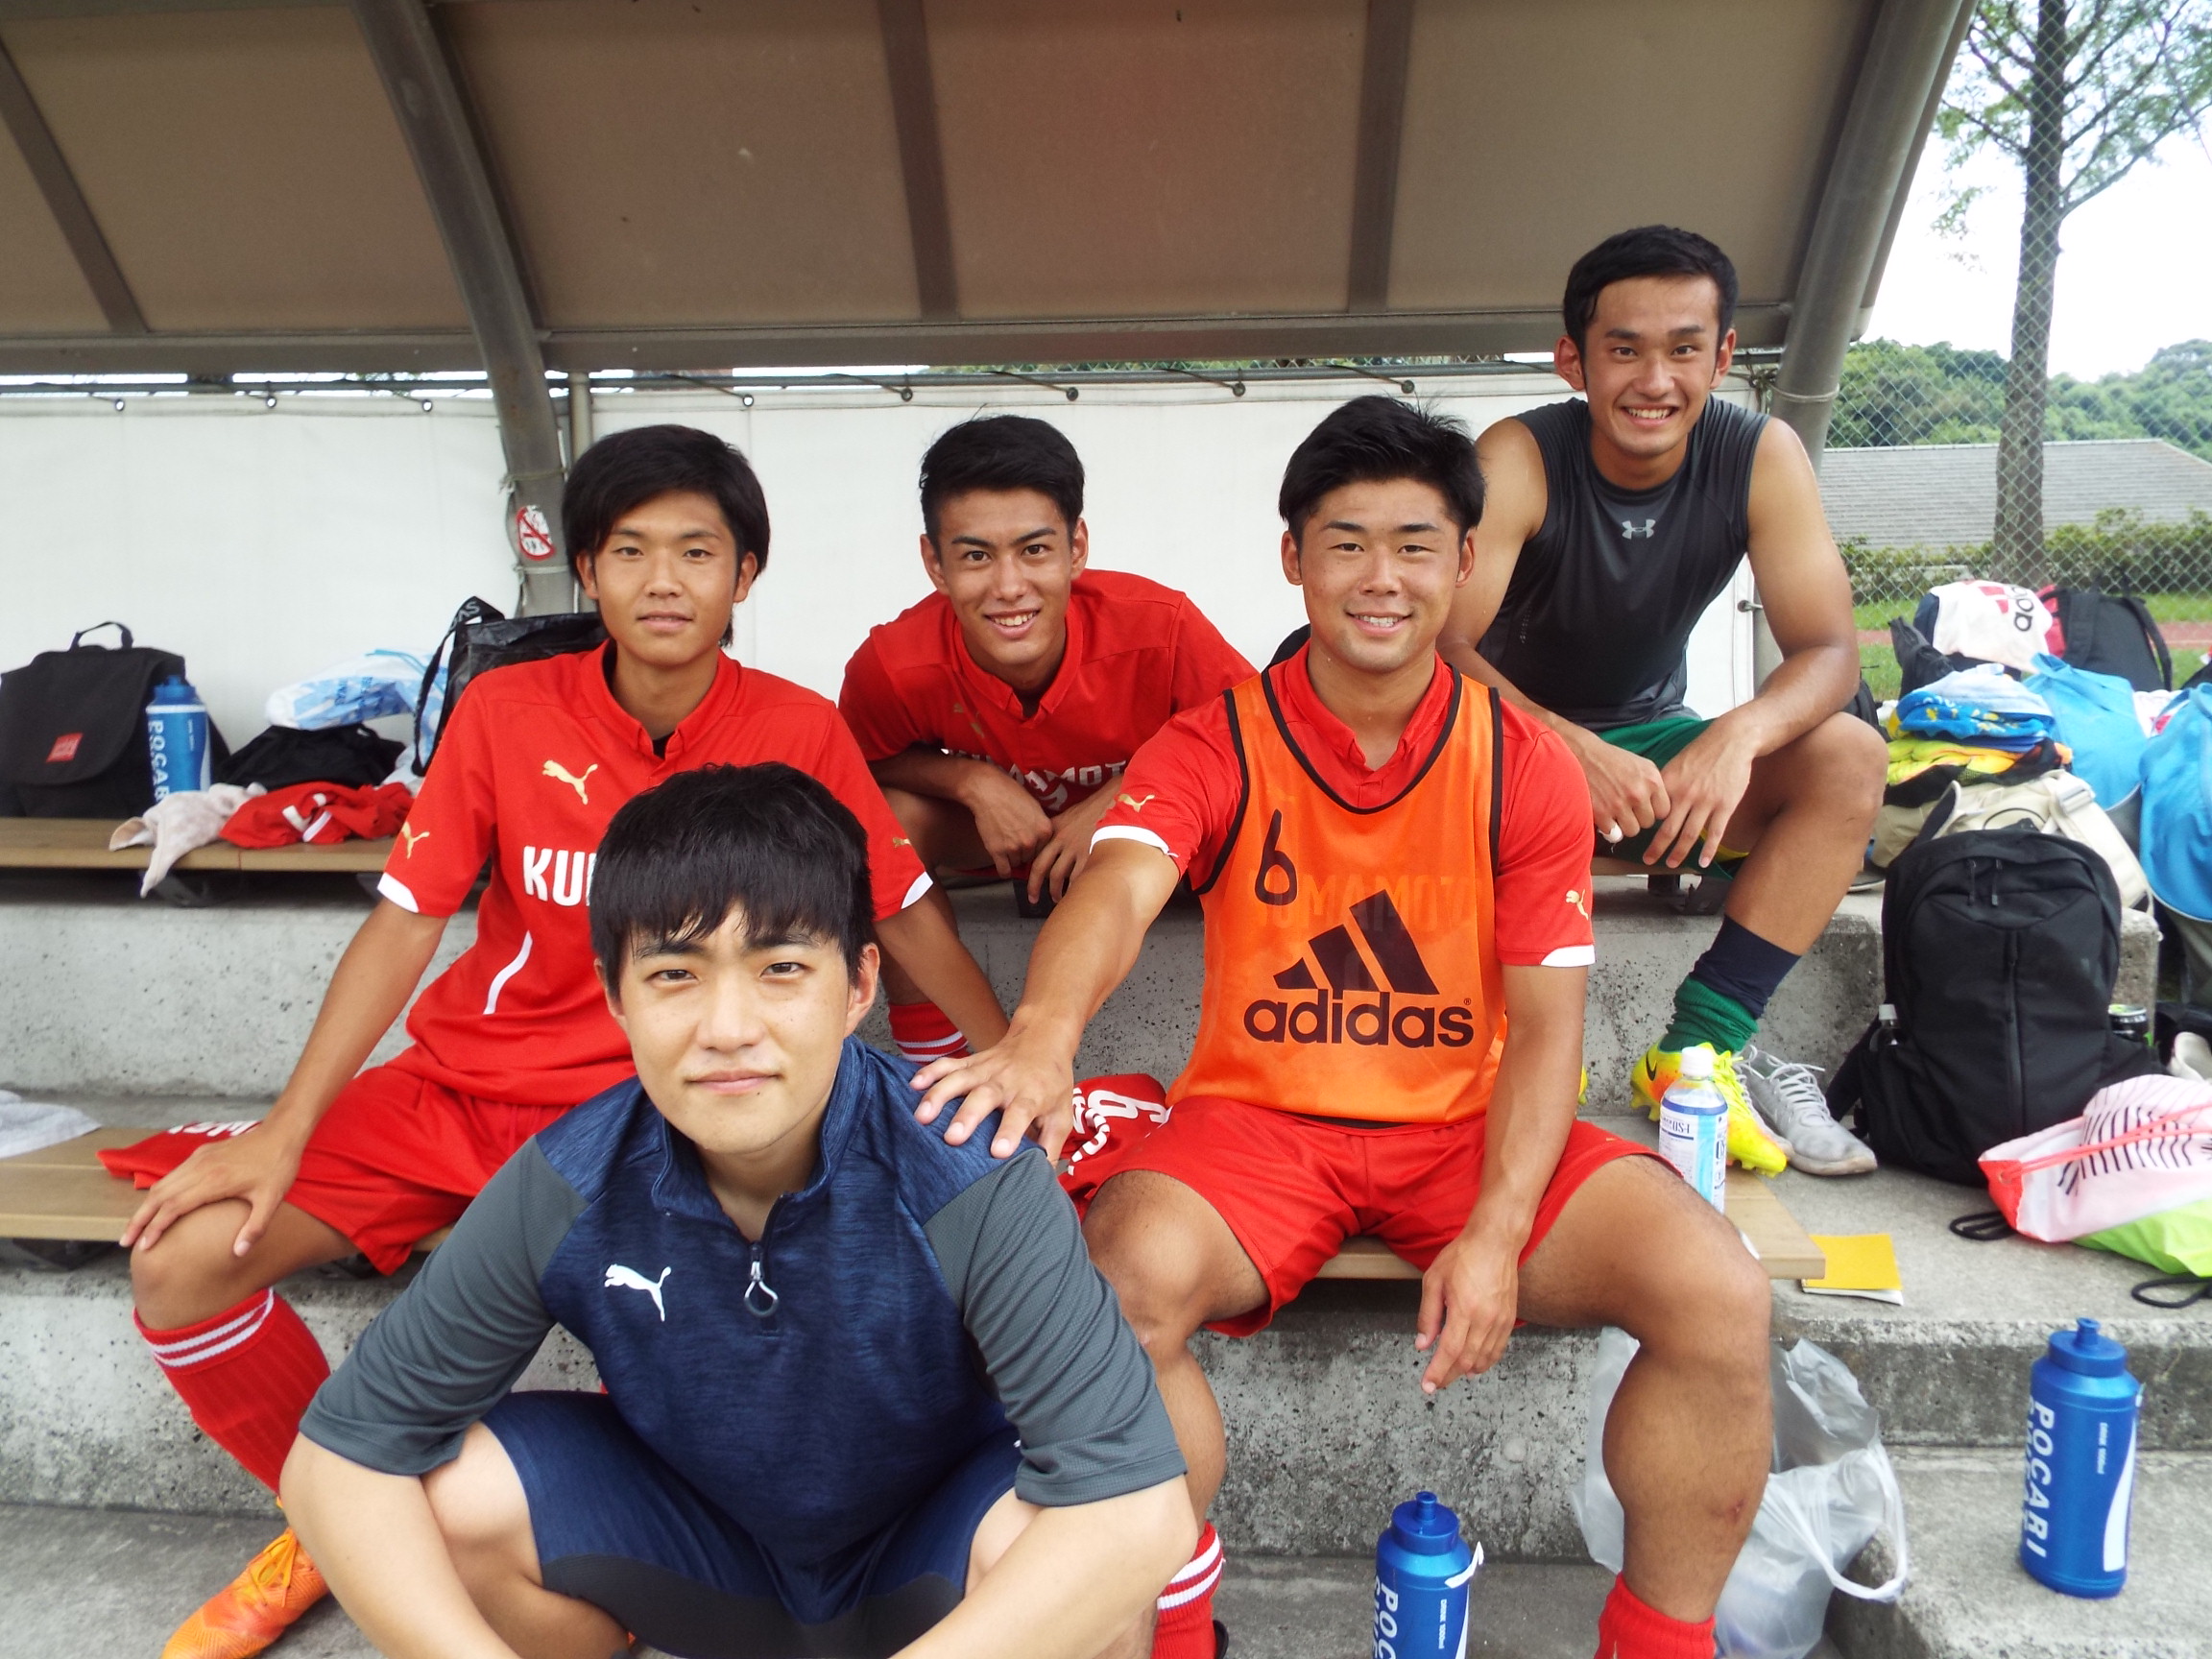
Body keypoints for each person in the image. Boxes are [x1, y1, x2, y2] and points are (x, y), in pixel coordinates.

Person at [115, 424, 1008, 1659]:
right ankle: (328, 1528)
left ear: (746, 574)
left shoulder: (797, 726)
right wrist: (284, 1128)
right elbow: (404, 923)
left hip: (660, 1124)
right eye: (630, 551)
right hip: (462, 1090)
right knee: (179, 1259)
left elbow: (900, 913)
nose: (663, 581)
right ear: (586, 570)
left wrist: (1015, 1061)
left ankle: (618, 1558)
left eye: (696, 551)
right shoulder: (503, 710)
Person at [909, 397, 1775, 1659]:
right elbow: (1119, 890)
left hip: (1464, 1129)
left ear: (1465, 563)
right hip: (1258, 1126)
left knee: (1718, 1291)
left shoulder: (1522, 761)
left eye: (1415, 545)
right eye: (1346, 543)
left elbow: (1549, 1033)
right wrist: (1041, 1035)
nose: (1382, 578)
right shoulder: (1216, 738)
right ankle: (1177, 1632)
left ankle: (1658, 1645)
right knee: (1120, 1289)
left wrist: (1496, 1235)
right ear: (1293, 558)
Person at [280, 762, 1194, 1659]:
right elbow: (339, 1457)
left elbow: (1137, 1513)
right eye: (674, 975)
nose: (727, 1029)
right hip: (701, 1558)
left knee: (1078, 1554)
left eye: (781, 967)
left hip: (929, 1568)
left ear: (859, 987)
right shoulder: (572, 1178)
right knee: (451, 1493)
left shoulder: (967, 1171)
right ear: (614, 994)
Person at [1436, 225, 1886, 1177]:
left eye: (1684, 349)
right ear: (1573, 360)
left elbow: (1831, 650)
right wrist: (1565, 748)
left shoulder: (1761, 454)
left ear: (1723, 357)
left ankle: (1700, 1050)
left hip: (1648, 766)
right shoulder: (1519, 456)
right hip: (1496, 757)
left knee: (1850, 756)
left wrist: (1738, 736)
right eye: (1625, 349)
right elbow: (1444, 649)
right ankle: (1477, 1053)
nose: (1655, 380)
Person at [839, 415, 1253, 1068]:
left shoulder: (1160, 626)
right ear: (935, 563)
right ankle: (931, 1057)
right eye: (976, 556)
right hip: (1008, 848)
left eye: (1034, 550)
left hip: (1152, 851)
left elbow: (1252, 734)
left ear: (1076, 547)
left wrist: (1121, 802)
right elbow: (856, 764)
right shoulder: (893, 662)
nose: (1009, 587)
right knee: (881, 820)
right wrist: (971, 782)